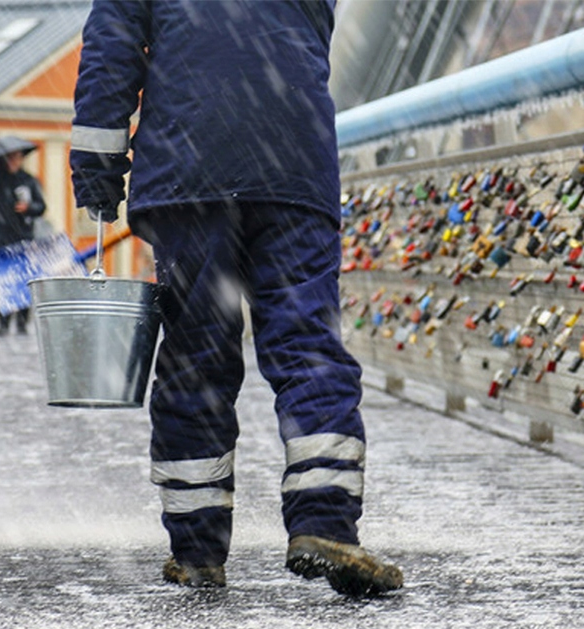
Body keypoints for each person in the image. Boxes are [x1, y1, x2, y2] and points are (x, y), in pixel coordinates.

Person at [68, 0, 403, 596]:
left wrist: (98, 169)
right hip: (294, 164)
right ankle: (324, 524)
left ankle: (197, 551)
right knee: (307, 342)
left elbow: (111, 50)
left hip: (189, 169)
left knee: (197, 356)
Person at [0, 151, 46, 334]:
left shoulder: (28, 180)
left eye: (16, 158)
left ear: (21, 159)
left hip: (23, 238)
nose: (13, 161)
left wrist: (28, 208)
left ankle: (22, 323)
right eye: (10, 158)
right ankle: (3, 324)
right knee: (3, 282)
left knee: (23, 282)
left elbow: (41, 207)